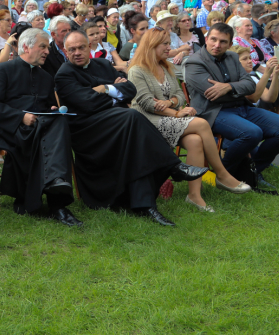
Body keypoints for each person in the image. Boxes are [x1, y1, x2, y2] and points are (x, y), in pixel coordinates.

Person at [55, 31, 208, 225]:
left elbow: (130, 91)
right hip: (88, 131)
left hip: (118, 124)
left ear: (89, 46)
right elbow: (87, 104)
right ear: (65, 51)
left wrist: (104, 89)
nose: (77, 52)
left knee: (135, 141)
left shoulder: (102, 64)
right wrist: (113, 89)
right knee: (132, 115)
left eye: (81, 47)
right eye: (72, 49)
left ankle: (146, 205)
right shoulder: (64, 74)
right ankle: (174, 166)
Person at [128, 28, 253, 210]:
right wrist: (177, 113)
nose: (169, 48)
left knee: (195, 141)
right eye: (165, 44)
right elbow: (147, 105)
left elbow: (181, 95)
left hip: (167, 117)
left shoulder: (165, 66)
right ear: (151, 45)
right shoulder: (137, 70)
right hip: (146, 121)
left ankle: (194, 196)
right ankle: (221, 174)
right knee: (201, 123)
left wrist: (170, 102)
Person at [0, 29, 80, 225]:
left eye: (47, 47)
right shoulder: (3, 70)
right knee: (47, 132)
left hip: (38, 127)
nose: (47, 52)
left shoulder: (46, 77)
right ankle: (52, 195)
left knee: (58, 120)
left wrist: (52, 109)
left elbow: (48, 107)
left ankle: (55, 193)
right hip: (7, 128)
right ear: (25, 47)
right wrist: (20, 117)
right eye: (42, 46)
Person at [184, 24, 279, 190]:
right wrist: (237, 86)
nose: (217, 45)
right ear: (206, 39)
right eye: (213, 39)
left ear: (230, 44)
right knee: (252, 133)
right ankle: (225, 174)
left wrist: (228, 87)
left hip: (243, 107)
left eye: (223, 42)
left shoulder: (231, 56)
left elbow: (250, 86)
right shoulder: (194, 62)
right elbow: (212, 93)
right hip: (214, 111)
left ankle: (253, 169)